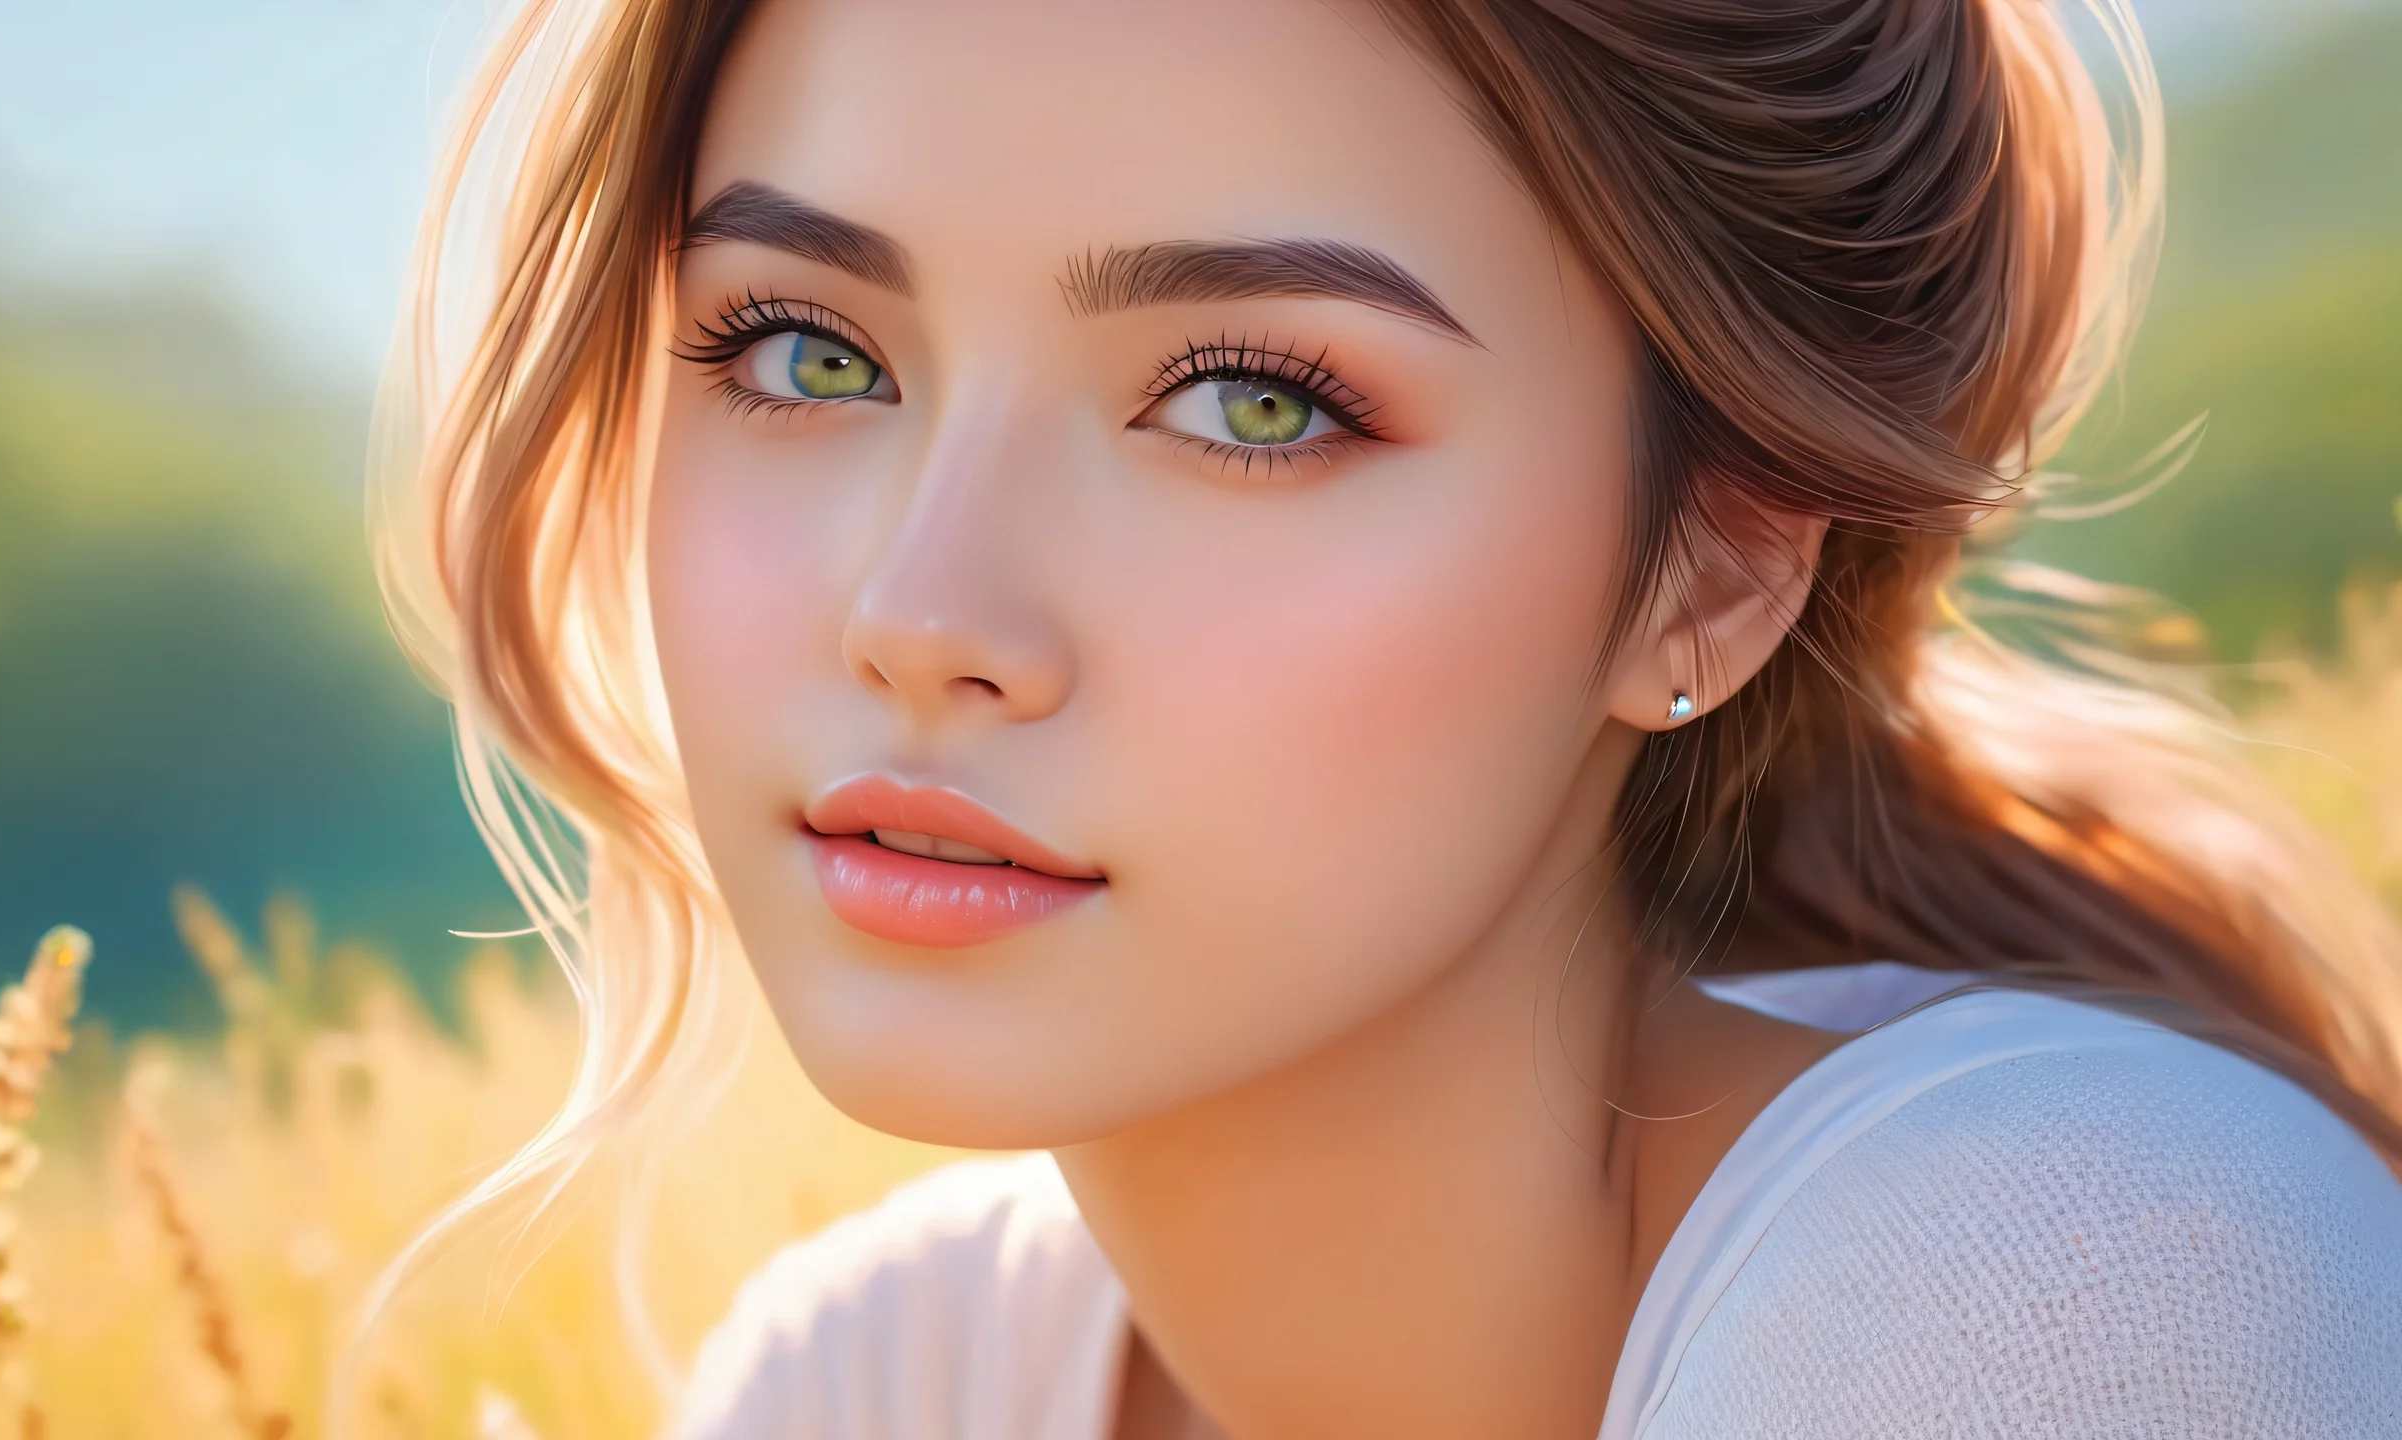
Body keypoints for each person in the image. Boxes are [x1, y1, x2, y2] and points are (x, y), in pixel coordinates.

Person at [367, 0, 2402, 1434]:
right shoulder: (884, 1382)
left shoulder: (2067, 1286)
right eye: (805, 350)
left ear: (1710, 564)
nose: (919, 616)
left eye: (1252, 402)